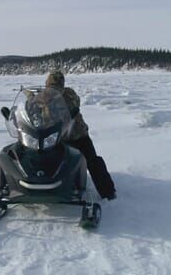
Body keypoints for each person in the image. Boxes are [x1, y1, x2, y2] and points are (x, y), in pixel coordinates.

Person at [45, 71, 117, 200]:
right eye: (52, 87)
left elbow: (73, 105)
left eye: (58, 87)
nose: (55, 90)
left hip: (77, 135)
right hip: (53, 137)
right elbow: (32, 108)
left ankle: (108, 192)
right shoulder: (41, 96)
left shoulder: (69, 94)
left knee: (92, 161)